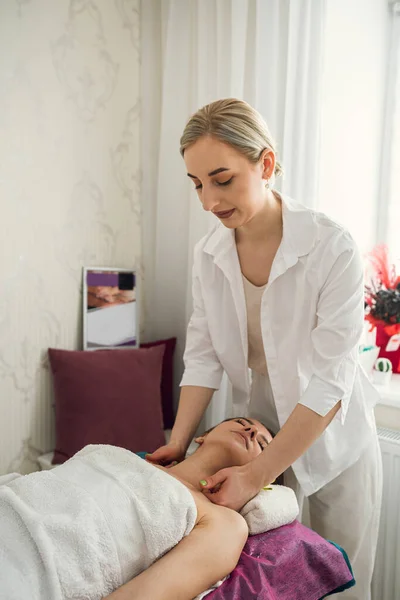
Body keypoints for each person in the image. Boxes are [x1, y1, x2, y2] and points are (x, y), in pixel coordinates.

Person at [146, 98, 383, 600]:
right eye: (197, 185)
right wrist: (180, 440)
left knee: (342, 586)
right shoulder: (208, 253)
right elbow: (205, 354)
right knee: (273, 584)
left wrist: (258, 473)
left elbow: (328, 382)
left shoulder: (332, 248)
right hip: (259, 427)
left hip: (333, 437)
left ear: (266, 165)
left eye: (222, 179)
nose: (209, 200)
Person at [0, 417, 272, 600]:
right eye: (242, 422)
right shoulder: (126, 456)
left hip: (27, 570)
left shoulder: (224, 524)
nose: (251, 432)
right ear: (202, 436)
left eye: (262, 444)